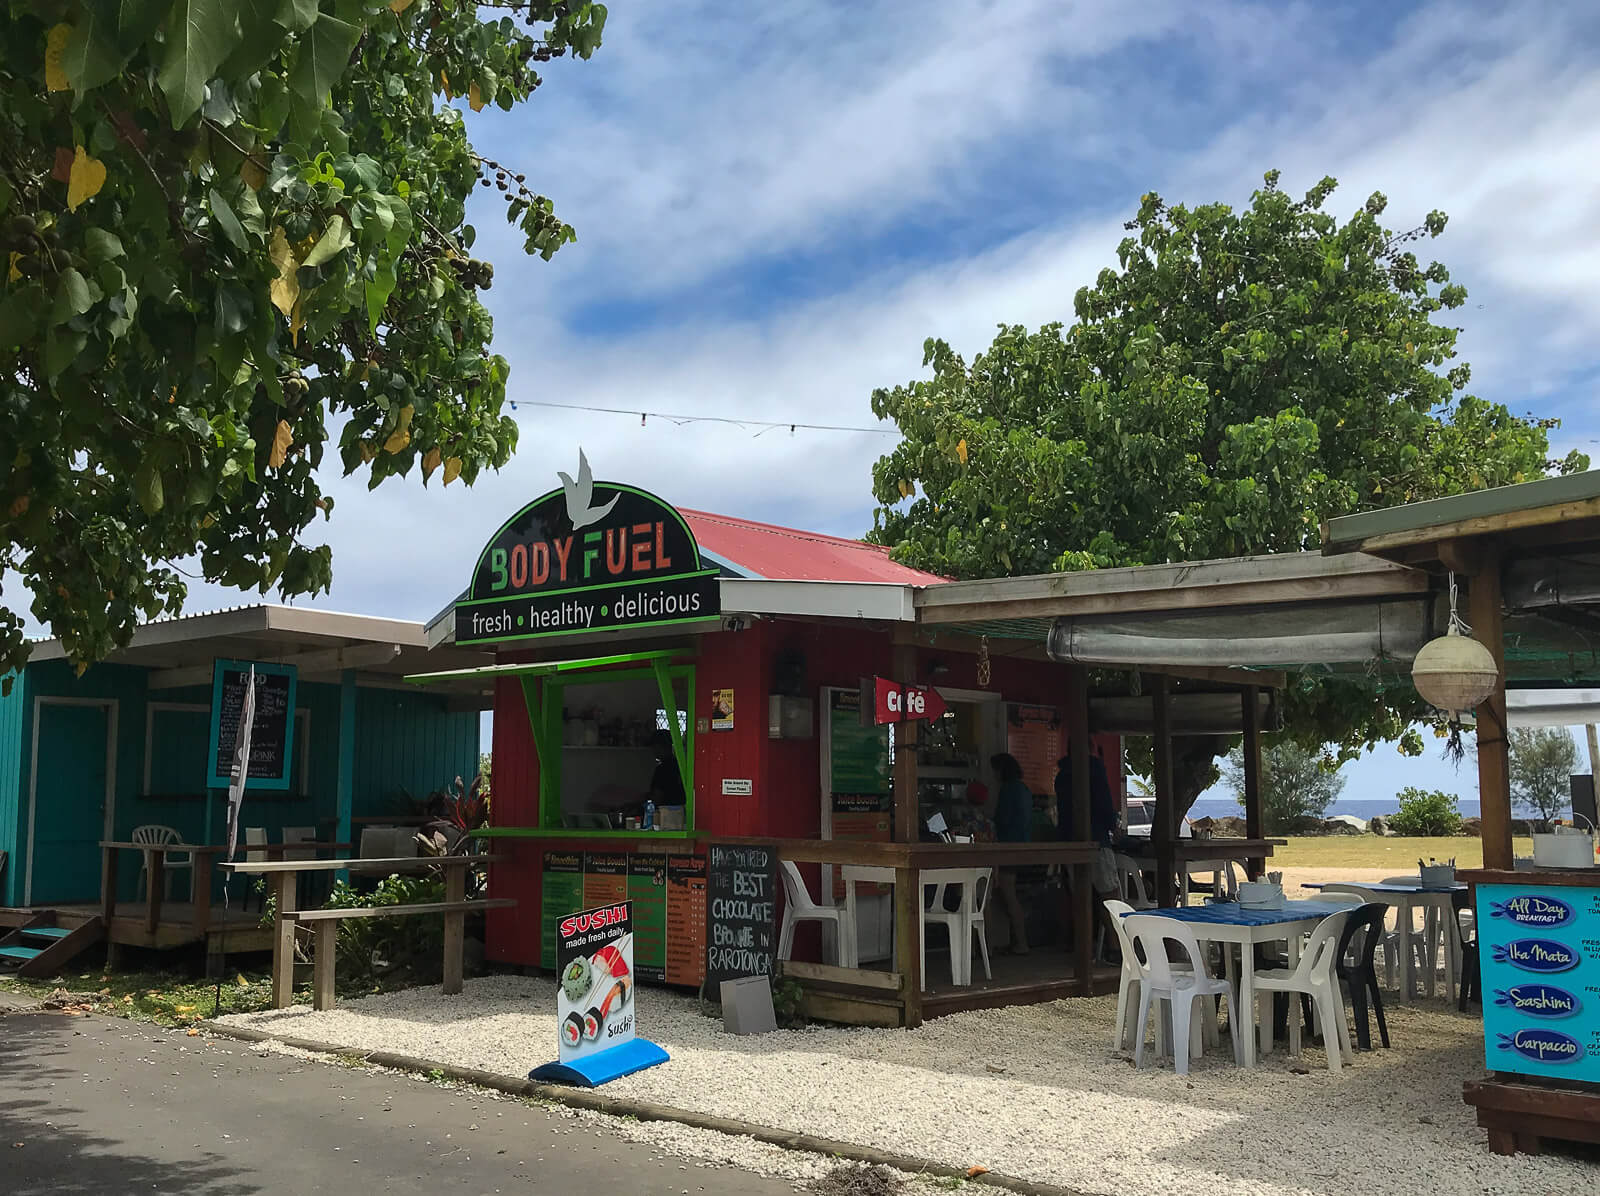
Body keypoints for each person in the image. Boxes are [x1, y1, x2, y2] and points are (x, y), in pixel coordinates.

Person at [989, 752, 1031, 955]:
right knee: (1007, 894)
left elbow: (1002, 819)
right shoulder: (1023, 788)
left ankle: (1021, 942)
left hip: (1008, 848)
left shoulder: (1008, 790)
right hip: (1021, 846)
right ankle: (1012, 940)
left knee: (1008, 894)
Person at [648, 729, 684, 805]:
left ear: (659, 746)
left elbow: (657, 797)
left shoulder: (662, 769)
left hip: (665, 811)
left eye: (654, 746)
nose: (653, 750)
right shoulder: (679, 765)